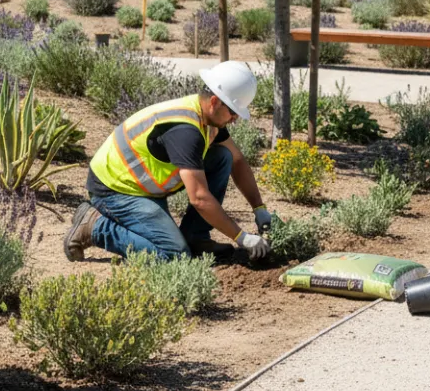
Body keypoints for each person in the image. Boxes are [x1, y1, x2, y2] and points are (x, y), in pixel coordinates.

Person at [63, 61, 274, 263]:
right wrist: (241, 237)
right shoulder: (186, 131)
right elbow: (199, 198)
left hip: (142, 188)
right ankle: (95, 226)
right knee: (174, 255)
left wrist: (259, 208)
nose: (235, 119)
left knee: (222, 157)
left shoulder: (208, 117)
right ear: (214, 101)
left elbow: (237, 160)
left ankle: (196, 237)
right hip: (115, 190)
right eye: (233, 112)